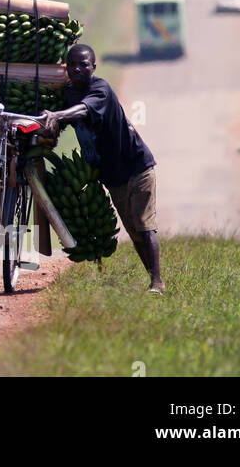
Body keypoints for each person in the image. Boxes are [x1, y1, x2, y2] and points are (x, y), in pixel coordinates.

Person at [40, 43, 164, 293]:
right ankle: (151, 277)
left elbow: (83, 110)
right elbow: (65, 112)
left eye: (83, 64)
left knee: (144, 224)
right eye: (72, 64)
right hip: (112, 176)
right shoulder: (68, 93)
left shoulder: (101, 89)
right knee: (134, 231)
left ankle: (157, 281)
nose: (77, 69)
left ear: (93, 67)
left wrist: (57, 116)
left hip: (137, 166)